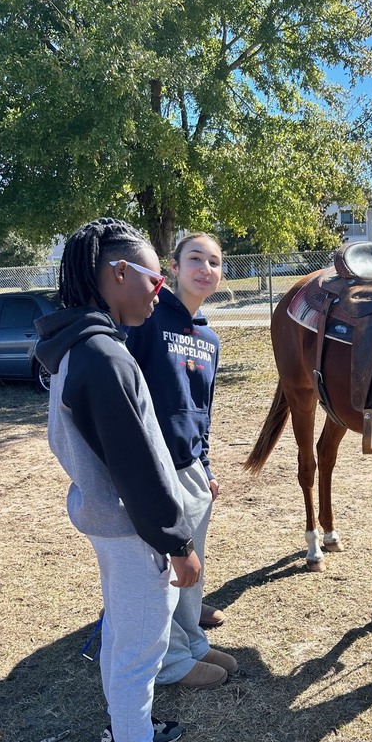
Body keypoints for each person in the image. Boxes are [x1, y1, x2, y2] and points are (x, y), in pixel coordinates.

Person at [34, 217, 209, 742]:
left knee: (121, 640)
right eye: (155, 277)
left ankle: (121, 738)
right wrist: (177, 540)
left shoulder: (76, 345)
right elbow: (137, 466)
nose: (160, 290)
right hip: (135, 532)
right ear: (117, 274)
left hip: (109, 524)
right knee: (140, 650)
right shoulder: (104, 355)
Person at [125, 232, 237, 689]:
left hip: (191, 471)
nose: (204, 268)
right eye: (195, 258)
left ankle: (192, 643)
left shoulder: (208, 337)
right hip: (154, 470)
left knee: (193, 564)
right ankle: (171, 663)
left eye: (214, 261)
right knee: (164, 569)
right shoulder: (148, 323)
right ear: (173, 267)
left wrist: (205, 468)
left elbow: (202, 412)